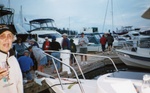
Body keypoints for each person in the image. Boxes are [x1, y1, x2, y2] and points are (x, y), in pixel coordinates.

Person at [0, 25, 23, 93]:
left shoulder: (13, 59)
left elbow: (19, 84)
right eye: (2, 36)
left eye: (9, 36)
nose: (7, 39)